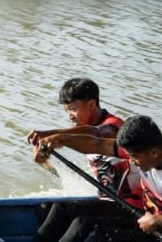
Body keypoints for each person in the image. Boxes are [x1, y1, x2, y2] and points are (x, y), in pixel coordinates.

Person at [27, 79, 143, 242]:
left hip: (130, 206)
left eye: (73, 109)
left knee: (68, 212)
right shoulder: (80, 131)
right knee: (45, 206)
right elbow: (65, 142)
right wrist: (42, 155)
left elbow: (96, 135)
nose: (70, 116)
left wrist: (52, 135)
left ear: (91, 104)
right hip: (107, 201)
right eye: (66, 111)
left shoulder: (115, 127)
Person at [37, 115, 162, 241]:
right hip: (147, 221)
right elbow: (98, 144)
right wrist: (60, 139)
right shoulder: (144, 151)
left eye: (134, 157)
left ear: (154, 153)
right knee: (79, 220)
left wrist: (157, 221)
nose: (131, 161)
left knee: (99, 236)